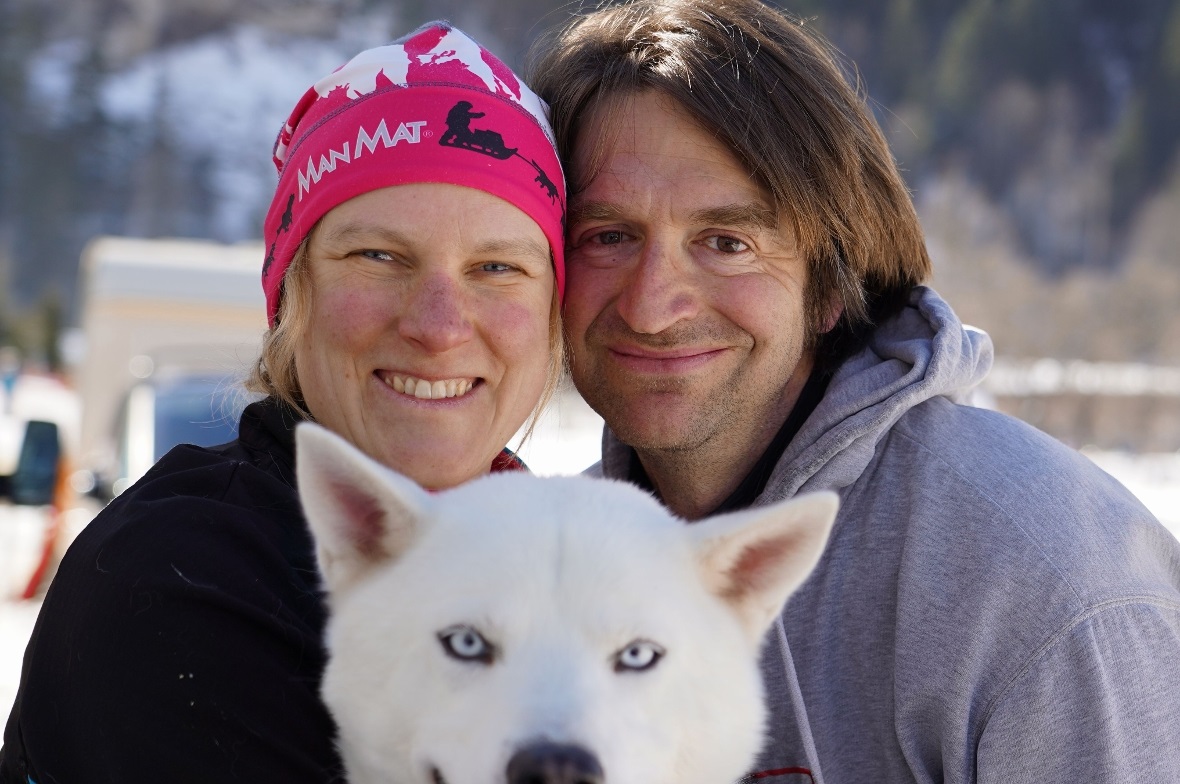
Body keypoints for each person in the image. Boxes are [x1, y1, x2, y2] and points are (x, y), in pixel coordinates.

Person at [528, 1, 1180, 781]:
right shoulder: (545, 576)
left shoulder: (1035, 577)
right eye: (608, 237)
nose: (651, 304)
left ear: (831, 282)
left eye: (727, 242)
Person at [1, 21, 566, 782]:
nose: (437, 326)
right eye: (378, 256)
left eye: (497, 267)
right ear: (290, 297)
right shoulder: (181, 576)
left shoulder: (557, 566)